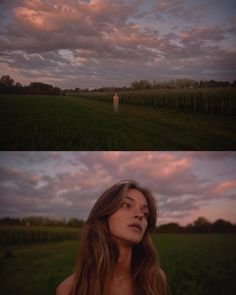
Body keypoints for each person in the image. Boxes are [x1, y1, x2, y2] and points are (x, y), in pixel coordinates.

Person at [56, 180, 169, 295]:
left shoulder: (156, 279)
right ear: (104, 213)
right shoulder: (68, 290)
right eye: (126, 205)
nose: (139, 215)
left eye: (145, 213)